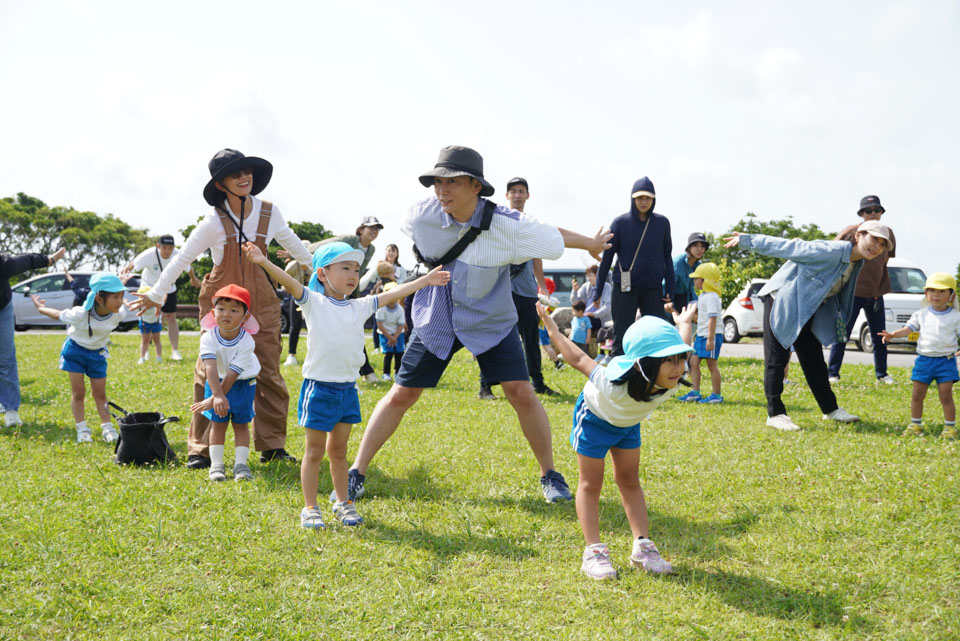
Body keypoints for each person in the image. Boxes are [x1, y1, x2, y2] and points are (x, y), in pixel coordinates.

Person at [341, 145, 612, 504]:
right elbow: (413, 231)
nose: (442, 190)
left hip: (491, 318)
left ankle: (550, 475)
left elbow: (550, 234)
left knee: (521, 392)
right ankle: (356, 472)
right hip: (438, 314)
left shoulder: (505, 224)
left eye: (452, 182)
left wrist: (591, 243)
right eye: (438, 182)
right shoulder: (421, 216)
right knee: (402, 394)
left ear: (475, 186)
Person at [242, 240, 450, 529]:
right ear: (323, 274)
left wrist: (425, 280)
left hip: (347, 391)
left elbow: (396, 294)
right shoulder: (314, 301)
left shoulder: (360, 306)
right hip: (319, 390)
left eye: (356, 269)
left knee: (339, 452)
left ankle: (343, 502)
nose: (353, 275)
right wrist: (262, 261)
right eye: (345, 268)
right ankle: (310, 507)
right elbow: (289, 282)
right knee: (314, 452)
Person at [133, 148, 314, 468]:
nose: (244, 178)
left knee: (269, 372)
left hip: (262, 302)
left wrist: (321, 271)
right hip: (221, 304)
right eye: (235, 174)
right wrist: (158, 294)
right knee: (208, 372)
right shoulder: (213, 222)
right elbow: (182, 259)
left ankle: (272, 446)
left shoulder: (270, 213)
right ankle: (199, 450)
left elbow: (296, 247)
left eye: (247, 172)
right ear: (221, 184)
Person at [539, 304, 688, 579]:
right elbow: (579, 359)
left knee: (630, 480)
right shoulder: (612, 384)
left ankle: (642, 547)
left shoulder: (673, 381)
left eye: (680, 359)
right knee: (591, 483)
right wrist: (553, 330)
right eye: (669, 360)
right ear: (644, 364)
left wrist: (685, 321)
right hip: (595, 419)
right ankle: (593, 552)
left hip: (627, 424)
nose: (678, 368)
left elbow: (685, 340)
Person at [724, 220, 893, 431]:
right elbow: (791, 246)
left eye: (882, 244)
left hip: (806, 307)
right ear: (859, 235)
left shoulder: (856, 262)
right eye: (873, 239)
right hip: (782, 301)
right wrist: (748, 240)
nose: (876, 246)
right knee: (777, 357)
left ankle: (830, 410)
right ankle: (775, 413)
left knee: (813, 359)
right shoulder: (830, 251)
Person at [479, 177, 557, 399]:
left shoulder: (532, 224)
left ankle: (538, 383)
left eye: (521, 191)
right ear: (506, 195)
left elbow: (537, 257)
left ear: (528, 195)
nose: (517, 195)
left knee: (531, 339)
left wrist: (542, 287)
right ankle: (486, 385)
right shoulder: (499, 221)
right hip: (502, 290)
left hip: (527, 292)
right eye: (513, 191)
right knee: (496, 336)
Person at [31, 273, 128, 443]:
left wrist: (121, 283)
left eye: (121, 296)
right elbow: (57, 315)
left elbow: (118, 303)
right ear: (99, 298)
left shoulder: (119, 314)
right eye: (115, 297)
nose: (120, 301)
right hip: (75, 352)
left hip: (97, 355)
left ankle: (107, 428)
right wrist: (40, 308)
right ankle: (82, 428)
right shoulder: (80, 314)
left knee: (100, 394)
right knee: (78, 393)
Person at [595, 177, 674, 358]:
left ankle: (651, 379)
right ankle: (619, 380)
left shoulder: (662, 223)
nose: (644, 202)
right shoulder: (619, 223)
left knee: (655, 335)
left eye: (648, 198)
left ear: (653, 199)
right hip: (624, 288)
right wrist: (597, 291)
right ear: (632, 198)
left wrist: (669, 288)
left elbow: (667, 257)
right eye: (639, 198)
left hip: (652, 288)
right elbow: (606, 259)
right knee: (622, 335)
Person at [189, 284, 260, 482]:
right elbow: (210, 367)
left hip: (242, 384)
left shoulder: (247, 341)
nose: (226, 314)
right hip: (216, 382)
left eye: (234, 310)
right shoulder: (208, 337)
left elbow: (234, 372)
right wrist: (216, 395)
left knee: (240, 424)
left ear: (245, 317)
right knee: (218, 424)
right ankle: (217, 465)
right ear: (213, 312)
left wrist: (217, 396)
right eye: (221, 309)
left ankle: (241, 465)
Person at [879, 273, 960, 438]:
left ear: (952, 295)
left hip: (946, 361)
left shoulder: (955, 316)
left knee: (945, 395)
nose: (936, 295)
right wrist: (893, 334)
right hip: (924, 361)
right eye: (931, 291)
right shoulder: (921, 314)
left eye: (941, 291)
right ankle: (915, 425)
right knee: (917, 395)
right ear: (926, 294)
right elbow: (907, 329)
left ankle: (950, 427)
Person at [827, 195, 897, 384]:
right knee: (842, 334)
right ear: (861, 214)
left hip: (876, 293)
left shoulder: (888, 233)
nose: (873, 213)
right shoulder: (852, 231)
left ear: (882, 213)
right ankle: (832, 373)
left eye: (877, 210)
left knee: (879, 336)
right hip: (852, 293)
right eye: (868, 210)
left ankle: (882, 374)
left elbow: (886, 260)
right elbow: (831, 252)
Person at [1, 247, 65, 428]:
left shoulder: (5, 265)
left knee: (5, 357)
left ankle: (11, 409)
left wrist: (50, 259)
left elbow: (29, 260)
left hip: (2, 308)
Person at [124, 235, 186, 361]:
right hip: (149, 289)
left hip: (169, 289)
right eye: (164, 248)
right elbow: (132, 265)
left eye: (170, 248)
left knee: (171, 317)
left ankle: (175, 350)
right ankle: (145, 350)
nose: (168, 251)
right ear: (158, 246)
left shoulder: (178, 254)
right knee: (148, 320)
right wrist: (123, 277)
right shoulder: (149, 254)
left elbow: (189, 268)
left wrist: (194, 279)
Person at [677, 263, 724, 404]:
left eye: (697, 278)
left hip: (711, 335)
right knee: (694, 362)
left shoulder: (711, 297)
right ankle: (695, 392)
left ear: (705, 280)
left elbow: (712, 318)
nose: (694, 281)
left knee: (711, 365)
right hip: (702, 335)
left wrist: (710, 338)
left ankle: (716, 395)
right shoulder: (703, 296)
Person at [571, 264, 612, 356]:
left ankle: (577, 350)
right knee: (576, 321)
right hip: (586, 317)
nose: (588, 278)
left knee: (581, 322)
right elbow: (576, 302)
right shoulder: (586, 286)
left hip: (600, 318)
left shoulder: (607, 287)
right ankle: (575, 350)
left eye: (590, 275)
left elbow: (608, 307)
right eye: (587, 275)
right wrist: (574, 290)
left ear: (597, 275)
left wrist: (594, 314)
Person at [375, 282, 406, 380]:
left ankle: (398, 373)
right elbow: (380, 324)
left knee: (399, 354)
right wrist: (390, 337)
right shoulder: (381, 309)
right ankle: (386, 374)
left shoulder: (400, 309)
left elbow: (401, 324)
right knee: (388, 355)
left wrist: (395, 337)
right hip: (385, 334)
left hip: (398, 335)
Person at [672, 232, 709, 313]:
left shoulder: (698, 266)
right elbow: (665, 287)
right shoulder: (677, 263)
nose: (699, 249)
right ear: (689, 247)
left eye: (703, 246)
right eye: (696, 245)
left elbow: (691, 289)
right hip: (670, 301)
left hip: (685, 301)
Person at [135, 285, 163, 364]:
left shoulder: (156, 302)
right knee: (144, 341)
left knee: (157, 341)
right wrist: (125, 302)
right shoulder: (140, 305)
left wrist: (165, 294)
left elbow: (163, 301)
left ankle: (159, 357)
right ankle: (142, 358)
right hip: (144, 324)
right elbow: (132, 306)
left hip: (156, 323)